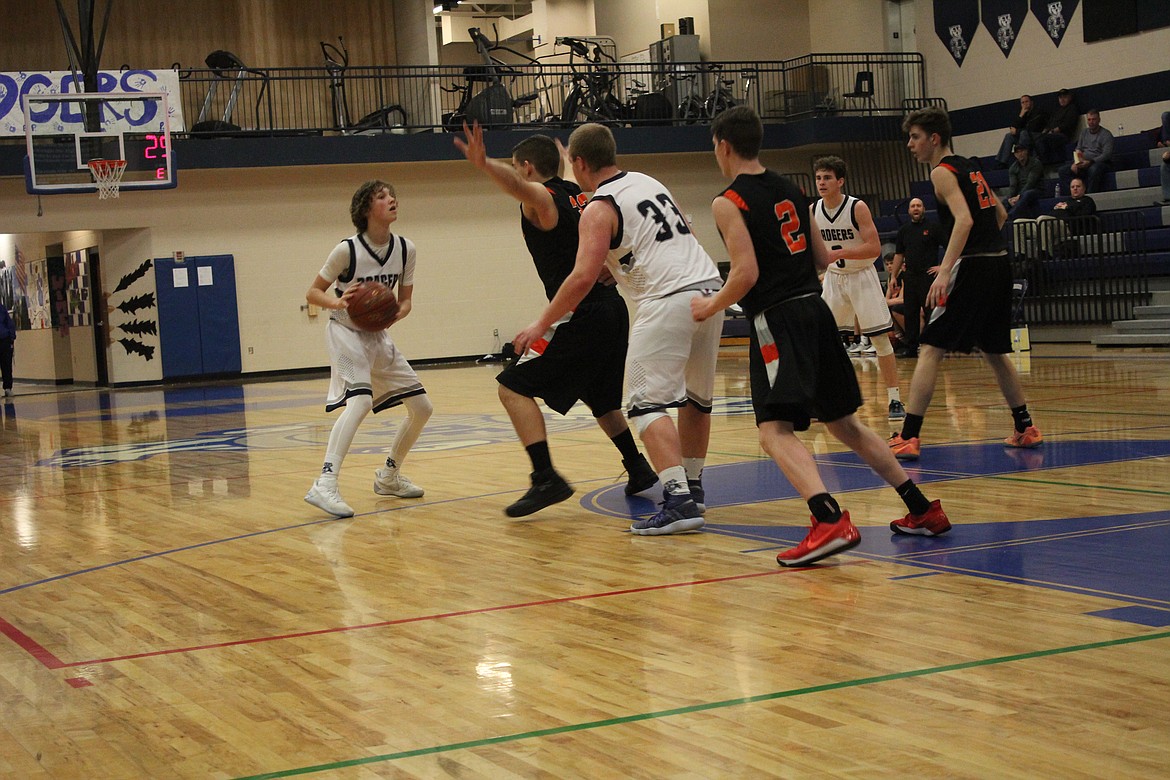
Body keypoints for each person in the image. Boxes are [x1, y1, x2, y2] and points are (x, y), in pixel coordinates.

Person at [690, 106, 950, 564]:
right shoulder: (792, 191)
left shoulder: (728, 201)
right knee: (844, 423)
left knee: (773, 430)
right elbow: (822, 257)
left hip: (777, 320)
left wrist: (710, 305)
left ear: (723, 146)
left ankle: (827, 518)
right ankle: (922, 508)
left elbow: (746, 272)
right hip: (816, 312)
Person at [514, 123, 725, 536]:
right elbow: (687, 234)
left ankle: (679, 500)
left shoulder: (599, 207)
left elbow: (578, 280)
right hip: (708, 289)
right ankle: (694, 487)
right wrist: (622, 267)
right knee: (696, 400)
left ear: (577, 163)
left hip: (668, 299)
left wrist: (540, 323)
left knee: (644, 405)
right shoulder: (649, 181)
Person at [453, 122, 657, 516]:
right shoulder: (581, 196)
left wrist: (485, 165)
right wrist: (563, 159)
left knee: (511, 388)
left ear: (527, 167)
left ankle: (545, 477)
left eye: (518, 166)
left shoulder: (542, 200)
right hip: (613, 310)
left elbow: (519, 188)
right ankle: (638, 467)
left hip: (584, 314)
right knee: (601, 400)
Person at [889, 106, 1043, 461]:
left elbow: (964, 220)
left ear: (934, 138)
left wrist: (945, 270)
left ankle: (909, 436)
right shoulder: (970, 165)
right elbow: (1001, 214)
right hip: (999, 264)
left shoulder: (942, 173)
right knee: (994, 351)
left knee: (929, 347)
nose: (910, 145)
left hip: (974, 268)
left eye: (914, 137)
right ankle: (1025, 427)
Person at [303, 180, 434, 518]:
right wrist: (336, 301)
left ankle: (389, 476)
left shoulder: (406, 249)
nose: (392, 199)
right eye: (382, 196)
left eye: (393, 194)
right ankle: (325, 483)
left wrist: (392, 315)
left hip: (377, 337)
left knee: (422, 407)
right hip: (345, 333)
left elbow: (405, 302)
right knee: (359, 401)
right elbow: (312, 293)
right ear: (365, 209)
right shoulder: (347, 250)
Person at [812, 156, 905, 422]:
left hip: (861, 276)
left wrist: (840, 252)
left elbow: (875, 249)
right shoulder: (813, 210)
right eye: (818, 177)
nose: (822, 182)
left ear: (840, 181)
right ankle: (827, 400)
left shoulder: (857, 207)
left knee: (879, 340)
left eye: (827, 177)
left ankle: (895, 398)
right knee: (825, 342)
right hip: (833, 278)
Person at [890, 197, 944, 357]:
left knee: (930, 311)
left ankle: (934, 346)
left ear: (923, 208)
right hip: (910, 277)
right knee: (910, 313)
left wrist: (942, 267)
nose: (916, 208)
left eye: (918, 205)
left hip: (927, 276)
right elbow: (899, 254)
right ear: (909, 210)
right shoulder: (904, 230)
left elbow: (949, 246)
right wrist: (893, 276)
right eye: (913, 206)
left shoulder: (933, 227)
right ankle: (911, 347)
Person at [1015, 176, 1097, 259]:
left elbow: (1084, 215)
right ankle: (1020, 254)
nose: (1075, 188)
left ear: (1084, 188)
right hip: (1049, 225)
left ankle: (1044, 251)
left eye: (1078, 186)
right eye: (1072, 187)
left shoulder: (1087, 201)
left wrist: (1067, 208)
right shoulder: (1066, 201)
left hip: (1067, 226)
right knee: (1018, 222)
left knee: (1043, 219)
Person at [1058, 109, 1113, 193]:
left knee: (1094, 169)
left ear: (1099, 120)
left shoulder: (1106, 134)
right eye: (1089, 119)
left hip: (1099, 162)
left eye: (1094, 119)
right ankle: (1073, 194)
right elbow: (1078, 148)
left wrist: (1090, 162)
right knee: (1063, 170)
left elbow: (1106, 154)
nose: (1091, 122)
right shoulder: (1084, 132)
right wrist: (1076, 162)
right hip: (1083, 162)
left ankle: (1090, 195)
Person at [994, 94, 1047, 168]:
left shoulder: (1038, 112)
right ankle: (1002, 162)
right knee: (1009, 136)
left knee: (1023, 133)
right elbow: (1013, 127)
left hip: (1036, 135)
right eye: (1023, 102)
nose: (1025, 104)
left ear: (1031, 102)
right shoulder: (1022, 113)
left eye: (1026, 101)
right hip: (1024, 136)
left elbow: (1033, 128)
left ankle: (1022, 160)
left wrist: (1017, 131)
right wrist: (1021, 115)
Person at [1034, 88, 1080, 165]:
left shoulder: (1072, 109)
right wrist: (1045, 130)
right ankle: (1035, 161)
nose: (1062, 99)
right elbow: (1050, 123)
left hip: (1064, 136)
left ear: (1069, 97)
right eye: (1060, 97)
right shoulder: (1057, 110)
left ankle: (1042, 161)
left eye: (1064, 97)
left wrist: (1054, 130)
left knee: (1043, 139)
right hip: (1051, 134)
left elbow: (1068, 124)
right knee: (1034, 138)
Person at [1005, 143, 1044, 220]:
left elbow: (1031, 183)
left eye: (1022, 151)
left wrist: (1019, 196)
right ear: (1015, 155)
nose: (1020, 154)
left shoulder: (1035, 163)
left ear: (1026, 151)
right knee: (1005, 201)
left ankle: (1010, 216)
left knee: (1027, 194)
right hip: (1020, 194)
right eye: (1017, 152)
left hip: (1037, 190)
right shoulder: (1013, 168)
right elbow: (1013, 185)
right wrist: (1010, 198)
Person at [0, 300, 15, 397]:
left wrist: (11, 337)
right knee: (6, 364)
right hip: (4, 337)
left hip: (4, 339)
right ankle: (8, 387)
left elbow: (9, 323)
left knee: (6, 364)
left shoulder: (1, 308)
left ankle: (8, 387)